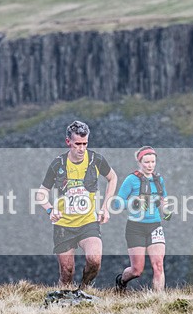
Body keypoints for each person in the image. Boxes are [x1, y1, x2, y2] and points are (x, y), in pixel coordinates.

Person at [36, 121, 117, 288]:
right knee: (67, 272)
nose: (81, 149)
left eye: (85, 144)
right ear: (68, 142)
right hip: (63, 225)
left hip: (88, 222)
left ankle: (83, 290)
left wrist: (105, 207)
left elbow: (112, 178)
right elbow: (41, 193)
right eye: (77, 144)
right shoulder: (58, 164)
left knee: (94, 261)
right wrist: (50, 209)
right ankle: (61, 303)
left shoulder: (95, 160)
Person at [114, 146, 170, 292]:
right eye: (146, 162)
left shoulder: (159, 180)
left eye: (153, 162)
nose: (150, 165)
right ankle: (121, 281)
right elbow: (116, 203)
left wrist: (166, 211)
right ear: (139, 162)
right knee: (137, 270)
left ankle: (159, 301)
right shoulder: (131, 179)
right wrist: (134, 203)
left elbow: (163, 198)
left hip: (155, 226)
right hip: (135, 228)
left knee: (158, 265)